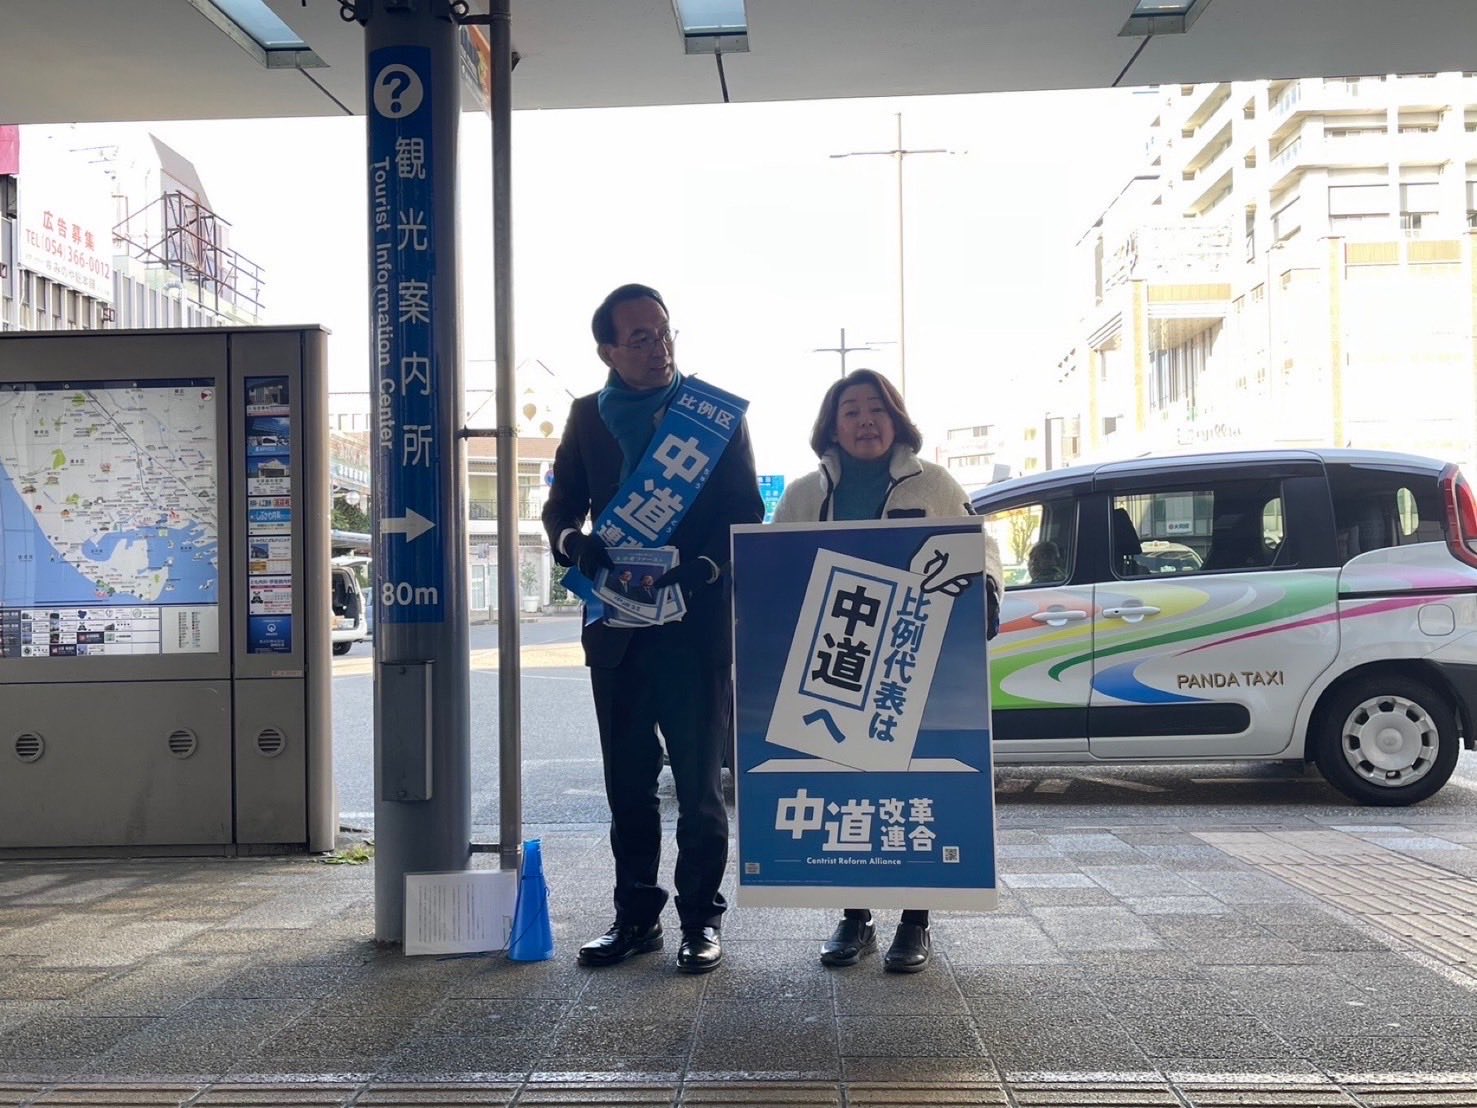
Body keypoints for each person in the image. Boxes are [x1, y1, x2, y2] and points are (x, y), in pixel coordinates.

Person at [543, 283, 764, 975]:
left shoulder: (711, 418)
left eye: (664, 332)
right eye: (638, 337)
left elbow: (745, 515)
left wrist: (702, 568)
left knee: (699, 786)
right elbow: (559, 510)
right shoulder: (586, 417)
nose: (658, 346)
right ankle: (635, 917)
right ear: (607, 350)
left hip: (691, 630)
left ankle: (700, 920)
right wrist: (572, 545)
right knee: (627, 786)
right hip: (614, 630)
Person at [773, 368, 1002, 973]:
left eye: (876, 408)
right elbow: (771, 567)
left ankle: (915, 922)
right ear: (831, 425)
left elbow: (981, 547)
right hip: (835, 665)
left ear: (896, 418)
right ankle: (854, 918)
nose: (865, 420)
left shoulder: (936, 484)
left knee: (909, 785)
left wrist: (987, 597)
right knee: (848, 785)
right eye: (851, 410)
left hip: (912, 660)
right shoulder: (801, 495)